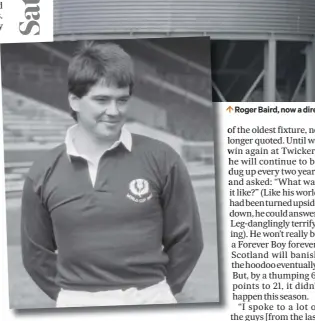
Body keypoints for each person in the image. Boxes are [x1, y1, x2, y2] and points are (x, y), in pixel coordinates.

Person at [21, 42, 204, 307]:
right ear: (74, 100)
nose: (114, 111)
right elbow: (35, 253)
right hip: (77, 302)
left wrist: (159, 292)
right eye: (102, 100)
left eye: (122, 100)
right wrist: (69, 296)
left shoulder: (162, 157)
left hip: (151, 298)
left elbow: (188, 239)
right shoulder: (43, 171)